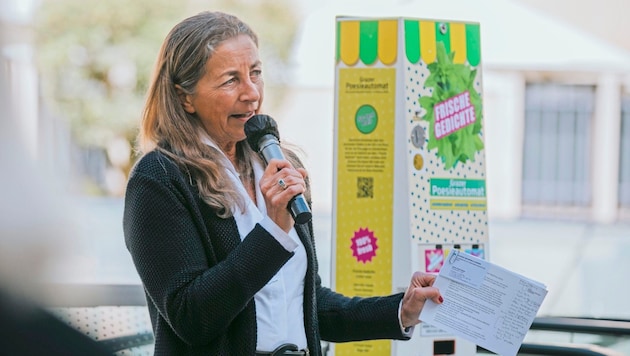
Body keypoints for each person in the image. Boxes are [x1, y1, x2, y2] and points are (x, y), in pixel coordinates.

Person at [123, 11, 443, 356]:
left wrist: (400, 310)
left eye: (255, 74)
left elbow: (307, 303)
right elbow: (192, 318)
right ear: (185, 97)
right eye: (230, 80)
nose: (251, 93)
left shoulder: (279, 166)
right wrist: (273, 232)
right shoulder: (159, 178)